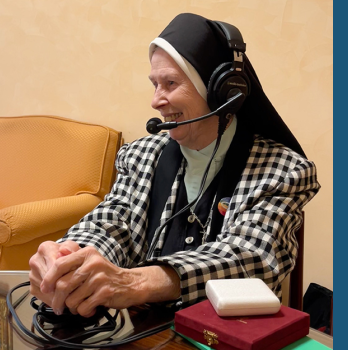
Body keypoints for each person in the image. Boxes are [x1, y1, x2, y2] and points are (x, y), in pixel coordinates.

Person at [29, 13, 321, 318]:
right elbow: (111, 225)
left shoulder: (282, 170)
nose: (156, 100)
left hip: (230, 335)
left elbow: (250, 257)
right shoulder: (140, 155)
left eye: (170, 83)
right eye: (155, 84)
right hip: (146, 334)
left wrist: (134, 282)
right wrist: (68, 259)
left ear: (222, 90)